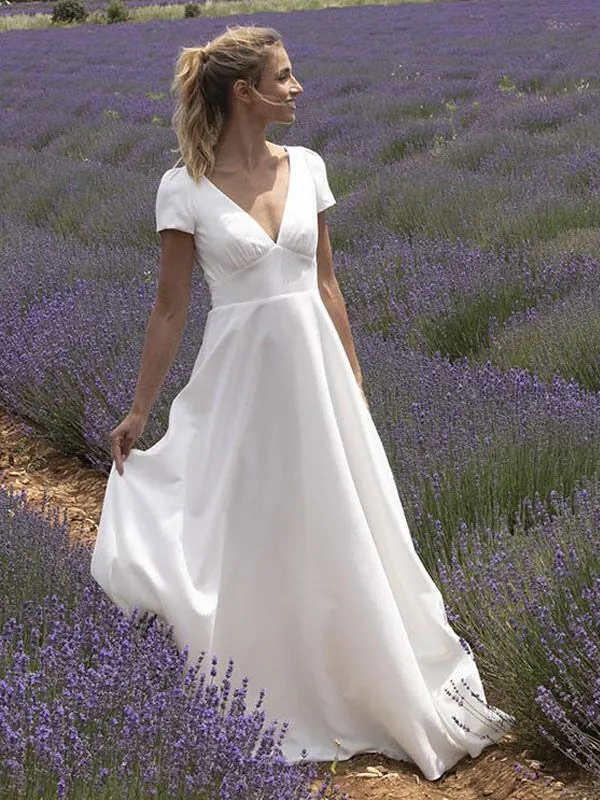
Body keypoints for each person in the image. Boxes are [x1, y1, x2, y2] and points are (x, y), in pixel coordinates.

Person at [91, 24, 511, 781]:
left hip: (314, 377)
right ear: (244, 93)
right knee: (252, 525)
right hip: (239, 383)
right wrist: (139, 411)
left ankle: (362, 669)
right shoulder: (180, 186)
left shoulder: (309, 167)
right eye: (283, 78)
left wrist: (352, 379)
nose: (298, 88)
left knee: (340, 515)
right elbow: (169, 309)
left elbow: (325, 283)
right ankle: (267, 680)